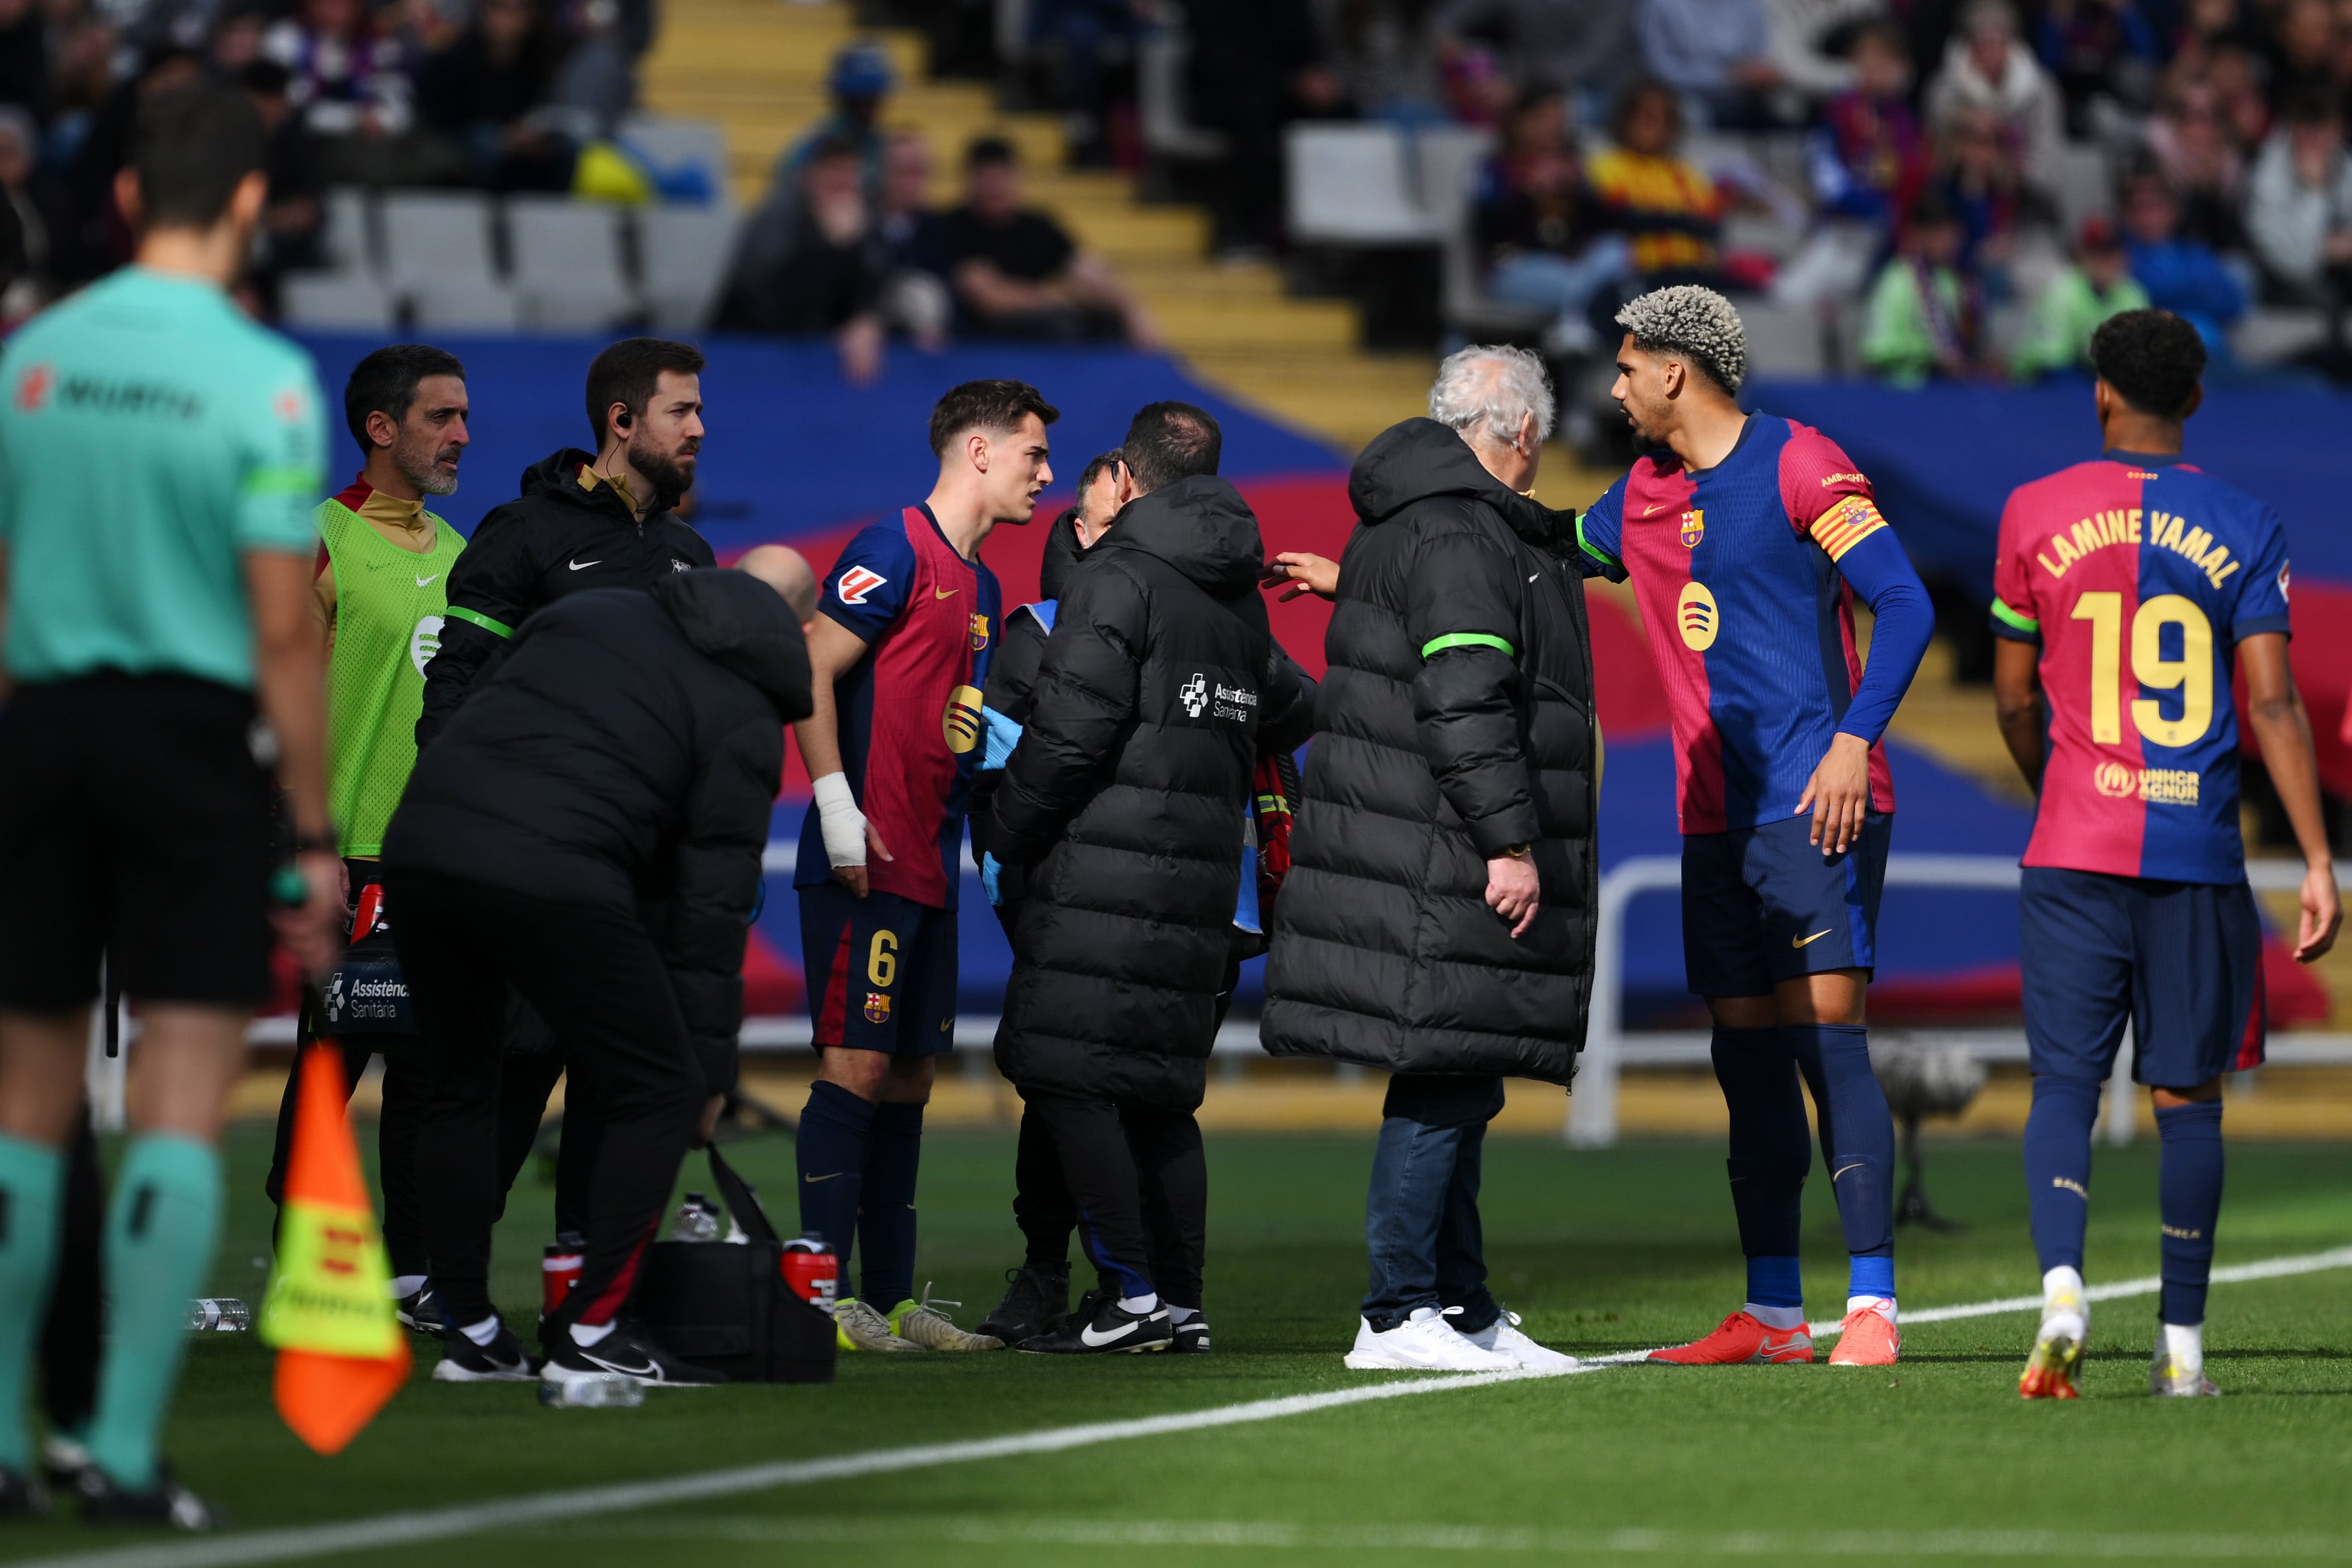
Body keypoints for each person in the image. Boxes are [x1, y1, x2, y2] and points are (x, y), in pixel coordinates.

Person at [0, 84, 341, 1526]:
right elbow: (281, 628)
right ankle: (124, 1456)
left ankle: (9, 1448)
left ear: (129, 198)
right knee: (179, 1104)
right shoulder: (263, 380)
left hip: (43, 734)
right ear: (253, 204)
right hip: (195, 750)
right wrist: (313, 832)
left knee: (22, 1113)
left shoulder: (32, 360)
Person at [1575, 286, 1934, 1370]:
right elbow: (1531, 555)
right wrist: (1364, 576)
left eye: (1627, 364)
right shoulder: (1638, 495)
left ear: (1676, 371)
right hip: (1711, 820)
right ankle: (1775, 1313)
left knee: (1829, 1048)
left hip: (1813, 806)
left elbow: (1905, 603)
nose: (1615, 384)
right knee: (1746, 1061)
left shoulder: (1800, 464)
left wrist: (1849, 741)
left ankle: (1870, 1302)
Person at [1990, 309, 2338, 1398]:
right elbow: (2272, 700)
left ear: (2099, 392)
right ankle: (2181, 1349)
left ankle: (2060, 1287)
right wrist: (2320, 858)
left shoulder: (2032, 511)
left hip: (2072, 842)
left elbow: (2008, 695)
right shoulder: (2244, 522)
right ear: (2193, 401)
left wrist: (2057, 778)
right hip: (2194, 846)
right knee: (2188, 1098)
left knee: (2063, 1082)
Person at [385, 555, 813, 1388]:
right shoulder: (746, 709)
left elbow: (485, 718)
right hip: (554, 866)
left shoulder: (590, 611)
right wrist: (709, 1080)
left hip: (423, 844)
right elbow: (709, 916)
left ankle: (470, 1330)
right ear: (798, 632)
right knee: (661, 1088)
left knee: (462, 1083)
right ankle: (591, 1333)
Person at [1258, 347, 1595, 1376]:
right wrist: (1508, 840)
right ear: (1522, 433)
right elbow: (1463, 702)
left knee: (1457, 1072)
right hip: (1444, 849)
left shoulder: (1409, 519)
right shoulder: (1460, 533)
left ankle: (1462, 1302)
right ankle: (1399, 1308)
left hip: (1414, 841)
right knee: (1442, 1076)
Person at [980, 405, 1317, 1356]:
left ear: (1125, 483)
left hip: (1105, 875)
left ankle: (1128, 1294)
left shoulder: (1116, 579)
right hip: (1204, 886)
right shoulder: (1236, 599)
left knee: (1059, 1066)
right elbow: (1300, 706)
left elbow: (1071, 731)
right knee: (1163, 1095)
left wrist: (1007, 828)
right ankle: (1179, 1301)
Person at [416, 337, 715, 1243]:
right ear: (622, 422)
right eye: (681, 411)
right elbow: (452, 691)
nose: (700, 429)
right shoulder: (527, 533)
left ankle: (589, 1292)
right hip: (532, 862)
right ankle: (445, 1282)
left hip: (642, 877)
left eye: (700, 411)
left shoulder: (691, 554)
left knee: (623, 1087)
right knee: (511, 1074)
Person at [791, 379, 1054, 1355]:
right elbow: (809, 664)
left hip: (930, 866)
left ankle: (896, 1302)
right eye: (1033, 453)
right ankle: (821, 1289)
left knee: (907, 1080)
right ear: (978, 452)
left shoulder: (981, 585)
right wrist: (835, 805)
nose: (1046, 474)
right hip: (866, 861)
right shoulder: (892, 546)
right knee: (853, 1066)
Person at [262, 344, 470, 1341]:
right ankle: (304, 1264)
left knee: (431, 1078)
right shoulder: (321, 543)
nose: (461, 435)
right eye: (440, 417)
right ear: (381, 427)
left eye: (463, 416)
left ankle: (412, 1276)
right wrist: (296, 845)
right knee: (330, 1065)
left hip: (438, 862)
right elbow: (270, 704)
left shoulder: (468, 554)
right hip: (344, 857)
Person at [966, 451, 1119, 1347]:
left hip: (1134, 896)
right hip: (1061, 897)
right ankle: (1066, 1271)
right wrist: (1014, 878)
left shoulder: (1179, 624)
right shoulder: (1037, 632)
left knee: (1105, 1086)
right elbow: (998, 773)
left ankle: (1130, 1281)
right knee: (1069, 1083)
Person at [932, 137, 1159, 347]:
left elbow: (1086, 269)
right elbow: (989, 299)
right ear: (970, 181)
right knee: (1061, 326)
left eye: (1003, 178)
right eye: (987, 179)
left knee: (1108, 321)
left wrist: (1133, 312)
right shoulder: (955, 227)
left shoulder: (1038, 225)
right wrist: (1058, 296)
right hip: (982, 336)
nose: (996, 187)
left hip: (1044, 313)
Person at [717, 136, 891, 384]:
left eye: (850, 176)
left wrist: (867, 318)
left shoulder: (863, 219)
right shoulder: (777, 216)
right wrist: (830, 247)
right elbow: (769, 303)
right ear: (809, 177)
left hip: (818, 367)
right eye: (833, 174)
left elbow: (877, 280)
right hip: (747, 358)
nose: (842, 186)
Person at [1475, 89, 1632, 359]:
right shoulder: (1496, 167)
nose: (1552, 129)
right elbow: (1485, 229)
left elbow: (1610, 224)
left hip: (1574, 262)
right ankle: (1579, 326)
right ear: (1520, 121)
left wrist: (1579, 192)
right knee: (1586, 289)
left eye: (1559, 121)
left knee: (1617, 251)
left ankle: (1576, 327)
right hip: (1517, 264)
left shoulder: (1575, 166)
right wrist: (1527, 193)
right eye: (1543, 119)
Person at [1587, 81, 1726, 288]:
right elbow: (1621, 217)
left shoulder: (1685, 172)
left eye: (1665, 119)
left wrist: (1665, 220)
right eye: (1647, 117)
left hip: (1695, 272)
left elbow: (1710, 223)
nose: (1655, 126)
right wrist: (1680, 221)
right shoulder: (1608, 164)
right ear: (1626, 120)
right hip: (1639, 274)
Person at [1859, 191, 1985, 386]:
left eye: (1952, 233)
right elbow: (1877, 350)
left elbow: (1966, 343)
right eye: (1939, 234)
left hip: (1951, 389)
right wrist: (1933, 361)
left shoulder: (1960, 281)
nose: (1948, 241)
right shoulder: (1897, 280)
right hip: (1906, 391)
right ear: (1918, 234)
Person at [2120, 166, 2245, 355]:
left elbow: (2233, 300)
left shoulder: (2194, 251)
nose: (2149, 216)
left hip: (2215, 352)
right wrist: (2201, 290)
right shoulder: (2121, 258)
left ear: (2173, 211)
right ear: (2127, 215)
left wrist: (2181, 294)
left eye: (2157, 206)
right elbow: (2150, 295)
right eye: (2140, 208)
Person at [2012, 217, 2151, 380]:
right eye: (2098, 253)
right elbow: (2051, 362)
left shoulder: (2132, 295)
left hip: (2097, 374)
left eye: (2112, 253)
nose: (2106, 261)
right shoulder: (2062, 292)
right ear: (2083, 255)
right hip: (2041, 380)